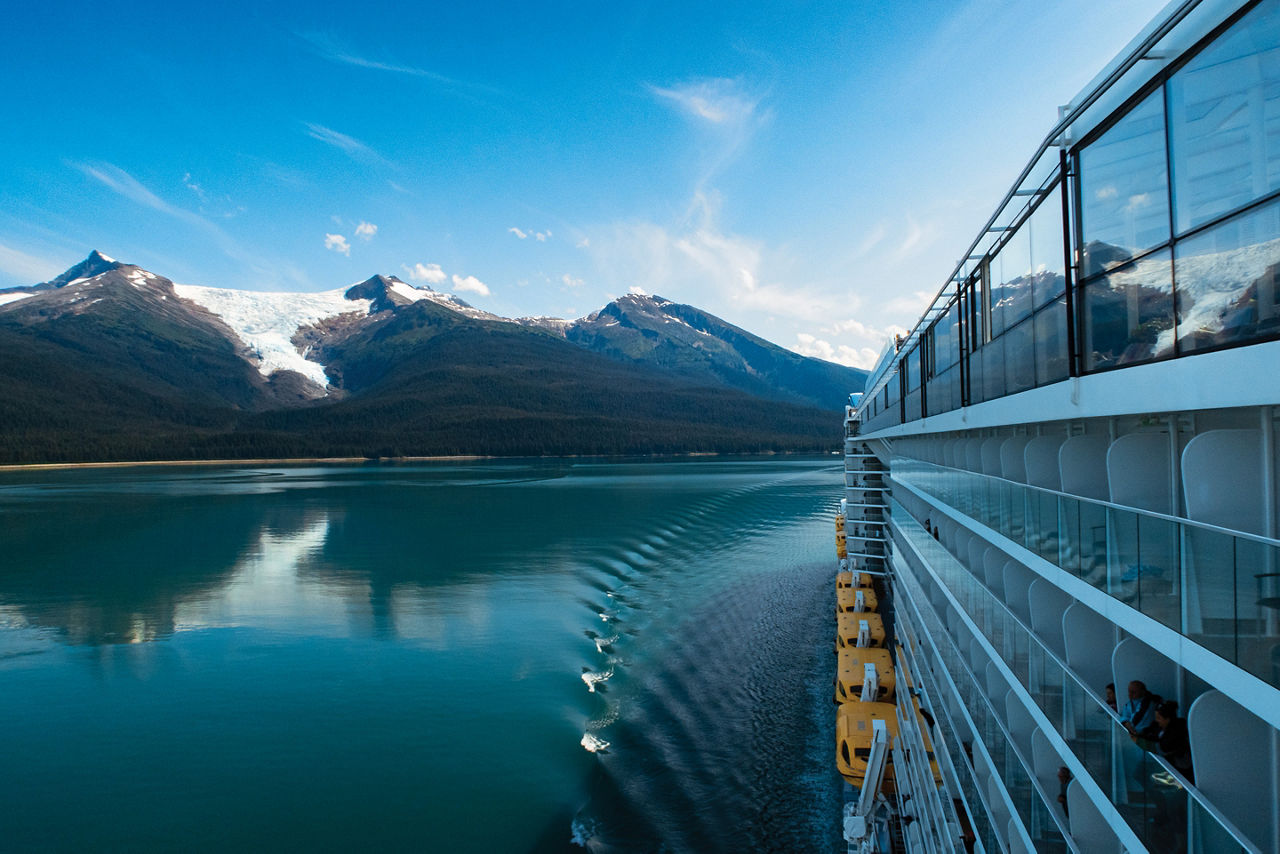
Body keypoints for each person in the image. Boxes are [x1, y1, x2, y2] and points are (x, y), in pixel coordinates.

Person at [1136, 700, 1194, 783]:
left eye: (1159, 718)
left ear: (1168, 719)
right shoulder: (1157, 725)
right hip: (1164, 765)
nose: (1156, 720)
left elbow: (1163, 748)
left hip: (1179, 771)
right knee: (1139, 773)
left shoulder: (1177, 732)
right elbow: (1147, 732)